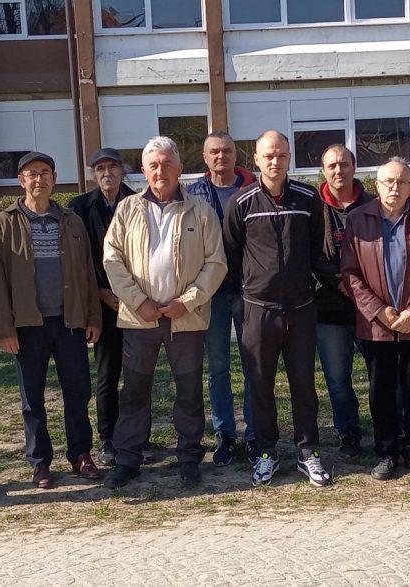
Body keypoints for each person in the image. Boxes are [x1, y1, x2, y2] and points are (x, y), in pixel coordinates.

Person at [101, 136, 227, 489]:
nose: (161, 171)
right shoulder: (127, 209)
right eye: (154, 165)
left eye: (167, 164)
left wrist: (186, 301)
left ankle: (189, 457)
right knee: (134, 391)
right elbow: (112, 260)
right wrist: (138, 302)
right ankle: (128, 459)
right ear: (144, 171)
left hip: (185, 318)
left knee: (188, 391)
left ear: (180, 169)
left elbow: (216, 264)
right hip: (139, 318)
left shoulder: (201, 210)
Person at [222, 131, 335, 487]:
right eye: (268, 155)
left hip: (301, 308)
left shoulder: (308, 198)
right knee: (260, 384)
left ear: (289, 158)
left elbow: (318, 249)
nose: (275, 161)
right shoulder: (241, 203)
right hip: (259, 310)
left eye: (281, 155)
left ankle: (308, 451)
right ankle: (266, 452)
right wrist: (252, 289)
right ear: (255, 159)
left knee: (304, 382)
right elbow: (231, 255)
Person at [0, 152, 102, 489]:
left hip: (70, 322)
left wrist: (93, 317)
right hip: (27, 326)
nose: (39, 179)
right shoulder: (4, 223)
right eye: (32, 173)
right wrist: (4, 330)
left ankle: (80, 454)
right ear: (21, 180)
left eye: (45, 173)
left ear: (54, 178)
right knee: (32, 398)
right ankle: (40, 463)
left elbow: (88, 274)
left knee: (78, 392)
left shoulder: (71, 221)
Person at [342, 158, 410, 480]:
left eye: (401, 182)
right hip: (377, 325)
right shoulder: (358, 219)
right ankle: (386, 452)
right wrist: (379, 311)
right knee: (382, 390)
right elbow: (350, 274)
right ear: (376, 185)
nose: (394, 188)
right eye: (388, 181)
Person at [184, 131, 258, 465]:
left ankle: (254, 433)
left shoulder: (253, 188)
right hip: (210, 292)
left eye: (226, 150)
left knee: (254, 366)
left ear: (235, 155)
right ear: (205, 157)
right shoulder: (192, 194)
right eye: (213, 151)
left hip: (247, 290)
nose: (220, 156)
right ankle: (225, 435)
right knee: (218, 369)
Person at [68, 148, 137, 467]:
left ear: (122, 170)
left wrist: (133, 294)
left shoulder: (139, 202)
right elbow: (78, 259)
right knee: (108, 374)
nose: (107, 173)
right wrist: (100, 293)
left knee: (139, 374)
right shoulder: (80, 207)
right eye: (100, 168)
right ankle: (108, 438)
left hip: (137, 301)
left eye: (112, 167)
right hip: (103, 304)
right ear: (93, 174)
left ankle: (136, 436)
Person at [315, 144, 374, 458]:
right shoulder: (313, 206)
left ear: (354, 166)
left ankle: (389, 428)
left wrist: (361, 288)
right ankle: (348, 433)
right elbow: (309, 254)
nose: (339, 170)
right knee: (338, 380)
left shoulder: (374, 204)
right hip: (329, 308)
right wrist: (339, 282)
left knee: (382, 373)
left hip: (372, 308)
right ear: (324, 171)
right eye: (332, 165)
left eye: (344, 164)